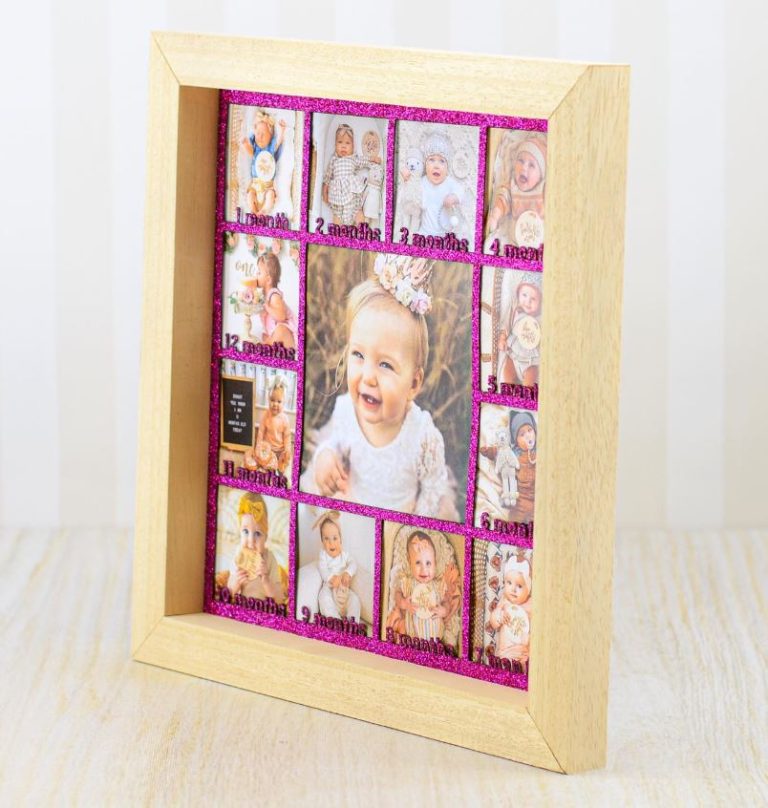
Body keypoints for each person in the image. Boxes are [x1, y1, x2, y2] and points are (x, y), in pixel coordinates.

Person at [303, 254, 457, 520]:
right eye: (358, 355)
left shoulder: (422, 436)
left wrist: (415, 522)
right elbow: (333, 442)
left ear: (414, 384)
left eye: (385, 365)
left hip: (400, 519)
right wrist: (325, 458)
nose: (368, 377)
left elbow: (433, 489)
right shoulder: (346, 411)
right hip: (355, 511)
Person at [227, 491, 286, 602]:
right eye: (245, 531)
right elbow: (229, 591)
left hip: (261, 607)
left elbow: (279, 598)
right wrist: (236, 583)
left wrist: (266, 580)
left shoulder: (269, 559)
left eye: (258, 533)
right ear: (239, 531)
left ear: (266, 538)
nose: (251, 540)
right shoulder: (238, 556)